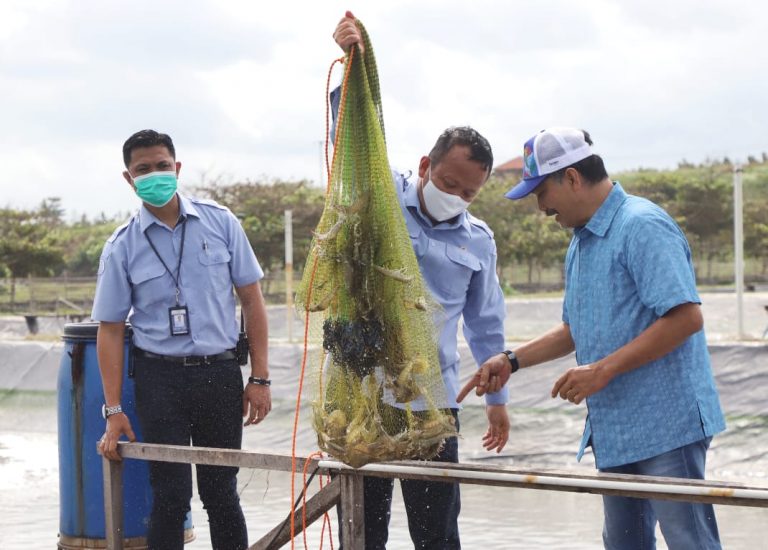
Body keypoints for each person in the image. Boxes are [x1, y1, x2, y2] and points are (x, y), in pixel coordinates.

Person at [458, 127, 726, 549]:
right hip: (615, 427)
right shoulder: (581, 242)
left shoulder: (642, 225)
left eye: (541, 193)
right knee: (624, 543)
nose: (541, 208)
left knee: (689, 541)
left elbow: (685, 318)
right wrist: (510, 360)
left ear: (571, 178)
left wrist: (603, 370)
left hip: (667, 423)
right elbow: (573, 329)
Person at [331, 12, 509, 550]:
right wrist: (352, 69)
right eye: (448, 182)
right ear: (426, 164)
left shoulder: (478, 240)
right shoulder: (381, 196)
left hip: (434, 404)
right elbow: (353, 143)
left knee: (437, 535)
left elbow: (486, 327)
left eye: (469, 192)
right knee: (363, 531)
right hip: (365, 395)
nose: (456, 196)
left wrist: (498, 402)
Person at [94, 129, 271, 550]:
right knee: (170, 496)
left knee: (221, 493)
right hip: (159, 380)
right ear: (129, 179)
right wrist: (114, 409)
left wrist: (260, 378)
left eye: (162, 165)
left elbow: (252, 300)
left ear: (177, 168)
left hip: (219, 375)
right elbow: (110, 329)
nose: (154, 174)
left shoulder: (220, 222)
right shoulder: (122, 245)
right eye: (143, 169)